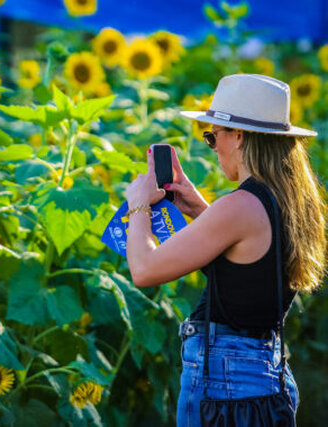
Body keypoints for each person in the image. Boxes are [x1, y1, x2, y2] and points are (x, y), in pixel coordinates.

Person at [124, 74, 326, 426]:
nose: (213, 147)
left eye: (213, 136)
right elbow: (244, 267)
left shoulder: (240, 206)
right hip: (262, 374)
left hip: (225, 381)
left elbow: (144, 269)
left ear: (239, 136)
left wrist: (138, 204)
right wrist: (197, 207)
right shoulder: (288, 201)